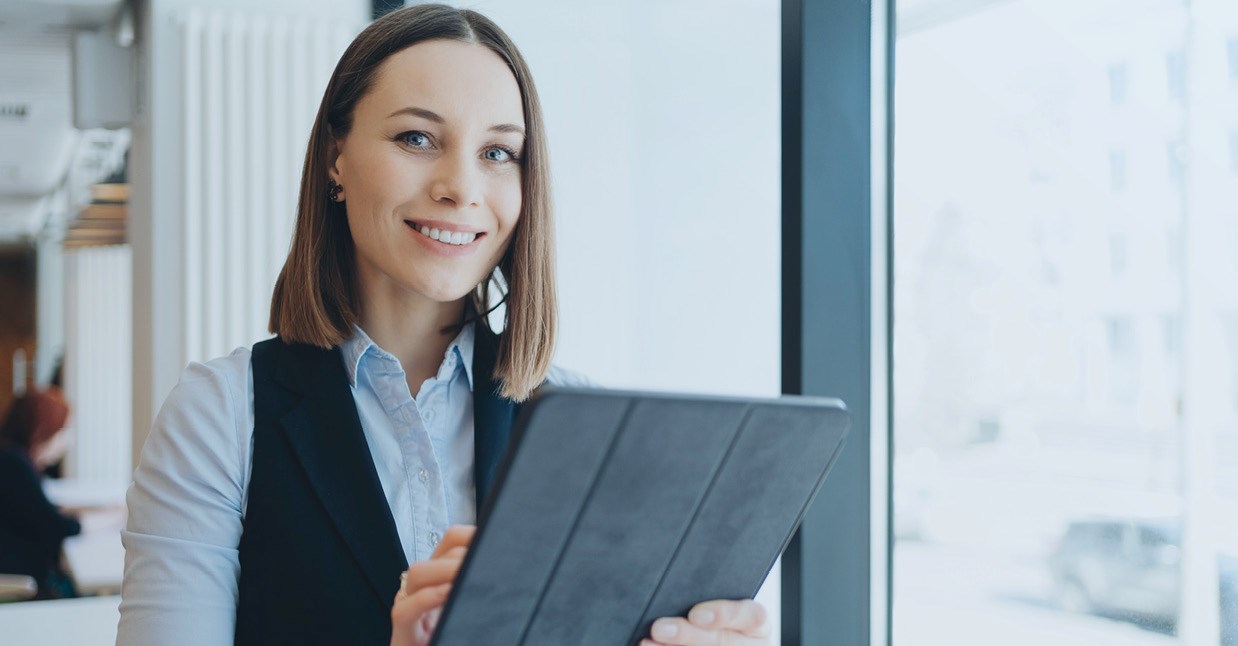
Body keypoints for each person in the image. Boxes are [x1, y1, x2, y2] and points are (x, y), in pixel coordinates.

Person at [117, 5, 771, 645]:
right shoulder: (221, 416)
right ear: (334, 159)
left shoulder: (581, 423)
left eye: (497, 152)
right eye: (417, 138)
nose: (461, 187)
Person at [0, 389, 81, 600]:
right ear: (41, 429)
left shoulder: (12, 460)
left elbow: (42, 512)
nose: (67, 441)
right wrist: (114, 517)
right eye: (63, 430)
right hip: (24, 587)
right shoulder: (13, 465)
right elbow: (57, 528)